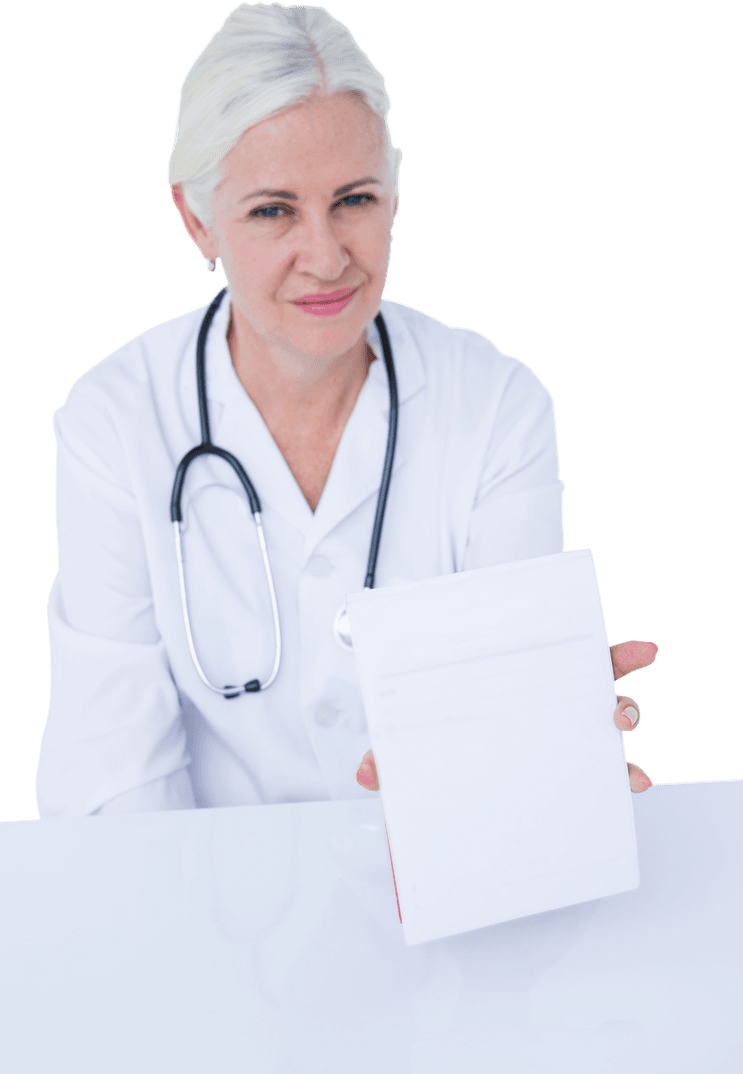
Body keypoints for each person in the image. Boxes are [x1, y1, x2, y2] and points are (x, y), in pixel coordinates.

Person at [36, 2, 656, 817]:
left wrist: (543, 734)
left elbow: (506, 721)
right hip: (199, 884)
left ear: (393, 196)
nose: (326, 257)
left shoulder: (493, 404)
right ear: (196, 219)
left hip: (435, 870)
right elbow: (113, 778)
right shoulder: (115, 419)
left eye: (353, 200)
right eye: (273, 210)